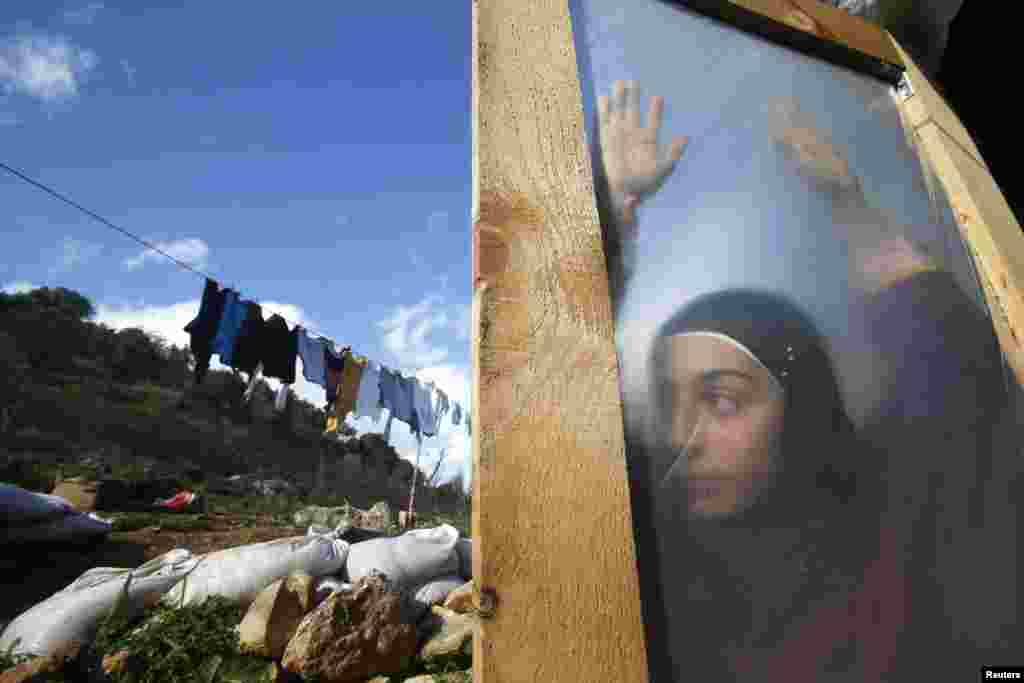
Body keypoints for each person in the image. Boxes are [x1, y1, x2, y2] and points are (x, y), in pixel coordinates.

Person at [592, 80, 1017, 680]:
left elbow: (949, 354)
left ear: (804, 409)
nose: (683, 439)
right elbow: (569, 404)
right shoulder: (652, 571)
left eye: (722, 399)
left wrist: (843, 196)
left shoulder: (898, 545)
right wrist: (612, 214)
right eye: (668, 401)